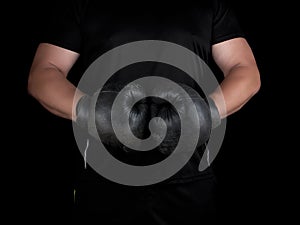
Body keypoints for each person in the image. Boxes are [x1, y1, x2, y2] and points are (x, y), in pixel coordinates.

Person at [28, 0, 260, 224]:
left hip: (189, 176)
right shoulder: (82, 3)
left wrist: (205, 112)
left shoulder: (209, 3)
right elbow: (44, 72)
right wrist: (89, 110)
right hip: (104, 178)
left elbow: (244, 69)